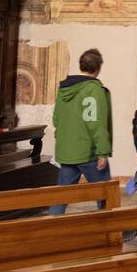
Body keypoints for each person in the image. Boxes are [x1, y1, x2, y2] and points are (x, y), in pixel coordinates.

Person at [49, 48, 116, 216]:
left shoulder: (64, 89)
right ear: (99, 67)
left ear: (81, 65)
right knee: (105, 193)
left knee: (61, 196)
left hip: (67, 150)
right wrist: (103, 152)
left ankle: (49, 228)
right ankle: (116, 229)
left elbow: (56, 118)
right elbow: (96, 123)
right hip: (88, 152)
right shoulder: (94, 90)